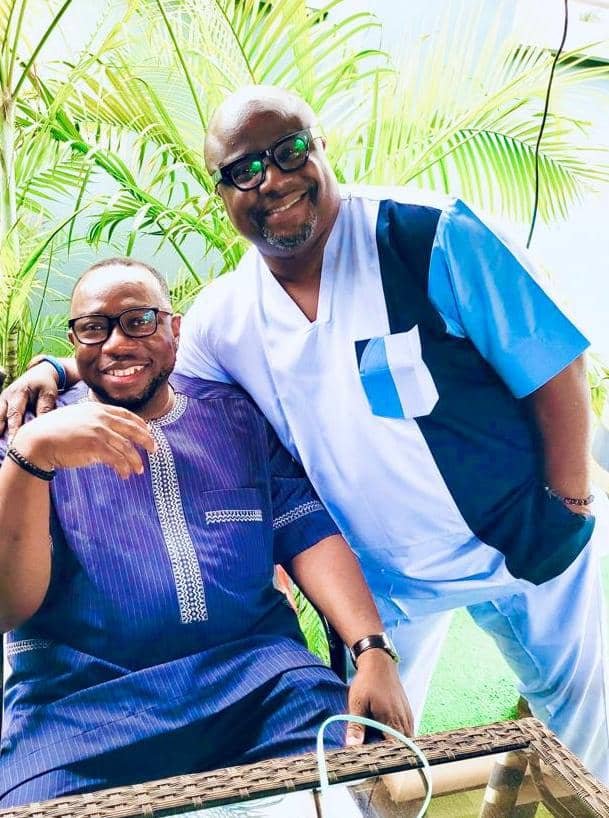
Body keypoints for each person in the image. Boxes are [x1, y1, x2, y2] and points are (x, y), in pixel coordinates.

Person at [2, 85, 608, 783]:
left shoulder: (429, 235)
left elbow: (551, 362)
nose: (271, 179)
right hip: (384, 576)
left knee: (585, 729)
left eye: (288, 151)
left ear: (321, 146)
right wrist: (53, 370)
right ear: (222, 193)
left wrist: (568, 501)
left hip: (517, 539)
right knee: (369, 754)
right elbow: (139, 361)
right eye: (242, 170)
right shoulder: (227, 317)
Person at [0, 257, 412, 807]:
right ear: (75, 343)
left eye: (139, 321)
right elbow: (8, 607)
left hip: (262, 686)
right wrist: (31, 458)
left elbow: (305, 531)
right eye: (94, 328)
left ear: (175, 329)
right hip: (78, 713)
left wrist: (373, 649)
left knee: (346, 795)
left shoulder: (235, 417)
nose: (117, 343)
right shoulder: (25, 437)